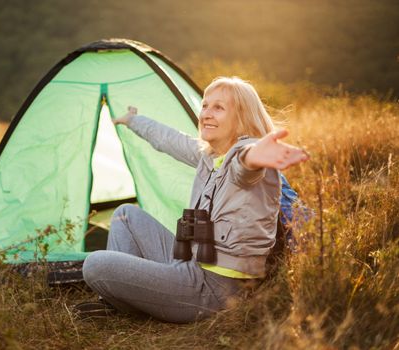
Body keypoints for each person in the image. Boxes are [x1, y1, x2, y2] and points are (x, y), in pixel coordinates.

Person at [76, 76, 309, 323]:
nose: (206, 113)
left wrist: (256, 154)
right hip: (191, 264)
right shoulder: (212, 156)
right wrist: (133, 120)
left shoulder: (246, 157)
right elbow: (170, 140)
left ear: (242, 118)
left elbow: (245, 165)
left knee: (94, 264)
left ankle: (128, 302)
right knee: (125, 214)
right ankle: (125, 299)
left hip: (215, 290)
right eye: (205, 105)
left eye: (218, 108)